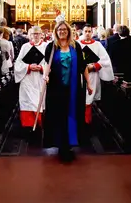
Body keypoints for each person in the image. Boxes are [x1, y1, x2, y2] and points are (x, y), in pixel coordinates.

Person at [43, 20, 92, 162]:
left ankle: (70, 144)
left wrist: (88, 83)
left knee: (72, 114)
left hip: (73, 87)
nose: (62, 31)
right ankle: (60, 144)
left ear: (69, 31)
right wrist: (45, 76)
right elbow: (48, 65)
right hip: (56, 88)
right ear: (56, 32)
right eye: (60, 29)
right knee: (58, 115)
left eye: (65, 29)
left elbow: (83, 67)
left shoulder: (76, 46)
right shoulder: (51, 47)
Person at [14, 26, 48, 131]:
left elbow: (50, 63)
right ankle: (28, 127)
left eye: (38, 33)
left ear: (42, 34)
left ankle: (38, 126)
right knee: (27, 102)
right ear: (30, 35)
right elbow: (18, 64)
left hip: (39, 79)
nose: (36, 36)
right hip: (27, 79)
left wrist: (42, 67)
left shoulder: (46, 46)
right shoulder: (25, 47)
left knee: (39, 102)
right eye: (34, 33)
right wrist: (28, 67)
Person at [78, 24, 113, 123]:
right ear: (82, 32)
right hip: (79, 76)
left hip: (93, 75)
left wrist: (94, 66)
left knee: (89, 99)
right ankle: (81, 121)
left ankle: (87, 121)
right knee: (81, 98)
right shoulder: (77, 44)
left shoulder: (97, 45)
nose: (88, 33)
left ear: (92, 33)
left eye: (89, 31)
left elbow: (105, 60)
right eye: (86, 31)